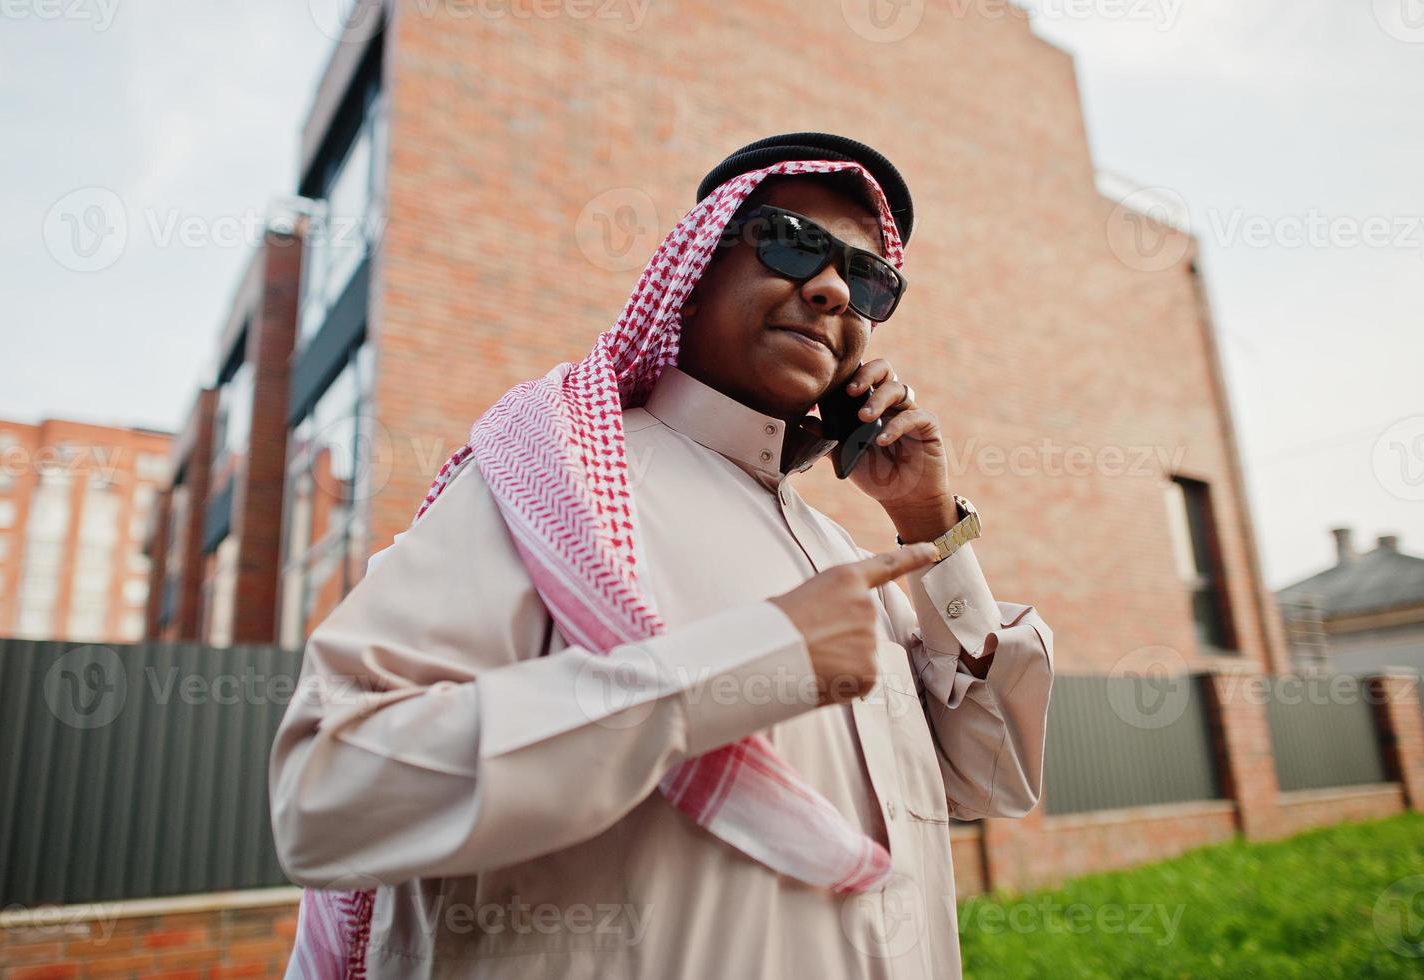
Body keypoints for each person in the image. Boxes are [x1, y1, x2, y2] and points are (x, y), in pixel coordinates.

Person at [269, 133, 1054, 979]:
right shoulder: (554, 483)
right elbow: (329, 795)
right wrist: (757, 660)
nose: (831, 289)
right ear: (695, 267)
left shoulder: (846, 557)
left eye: (867, 280)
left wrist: (928, 527)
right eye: (791, 242)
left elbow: (990, 780)